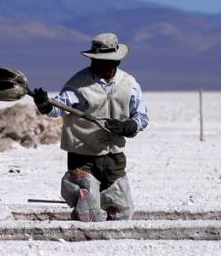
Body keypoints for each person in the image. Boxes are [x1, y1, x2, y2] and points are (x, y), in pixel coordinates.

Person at [31, 33, 149, 222]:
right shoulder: (78, 84)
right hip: (82, 156)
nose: (99, 65)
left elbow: (142, 116)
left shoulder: (130, 84)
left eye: (105, 61)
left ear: (115, 62)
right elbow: (59, 107)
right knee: (88, 213)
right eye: (97, 61)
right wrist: (45, 105)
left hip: (113, 157)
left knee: (122, 212)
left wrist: (129, 126)